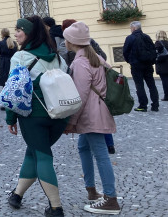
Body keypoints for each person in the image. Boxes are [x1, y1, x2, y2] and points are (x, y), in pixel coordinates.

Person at [5, 16, 68, 216]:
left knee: (43, 156)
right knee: (34, 151)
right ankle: (17, 195)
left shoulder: (20, 58)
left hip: (34, 116)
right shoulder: (58, 57)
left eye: (19, 30)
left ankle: (56, 207)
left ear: (29, 33)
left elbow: (13, 91)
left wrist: (10, 118)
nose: (15, 34)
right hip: (59, 115)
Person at [62, 21, 121, 214]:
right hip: (100, 111)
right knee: (83, 147)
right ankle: (92, 190)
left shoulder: (80, 62)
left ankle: (110, 199)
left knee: (101, 154)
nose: (65, 41)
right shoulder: (95, 57)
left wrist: (71, 122)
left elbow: (80, 96)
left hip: (91, 114)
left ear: (72, 41)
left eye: (67, 38)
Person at [122, 21, 159, 112]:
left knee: (139, 86)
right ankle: (155, 105)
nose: (131, 30)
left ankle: (143, 105)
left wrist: (130, 61)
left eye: (131, 28)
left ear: (134, 28)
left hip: (136, 65)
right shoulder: (147, 37)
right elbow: (153, 50)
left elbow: (125, 51)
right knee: (152, 85)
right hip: (148, 64)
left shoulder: (130, 38)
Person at [156, 30, 168, 101]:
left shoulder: (158, 43)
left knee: (165, 81)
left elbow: (157, 54)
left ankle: (166, 96)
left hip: (162, 65)